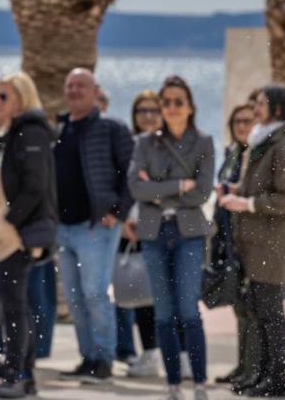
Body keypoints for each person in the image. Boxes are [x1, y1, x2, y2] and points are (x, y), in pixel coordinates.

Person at [128, 75, 214, 400]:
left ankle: (200, 383)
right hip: (153, 234)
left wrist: (156, 190)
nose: (172, 107)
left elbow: (202, 192)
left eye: (179, 102)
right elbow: (136, 188)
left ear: (190, 106)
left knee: (188, 309)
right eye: (166, 102)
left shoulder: (203, 142)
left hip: (188, 233)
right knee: (163, 313)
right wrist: (178, 186)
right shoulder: (144, 143)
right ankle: (173, 386)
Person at [0, 72, 57, 399]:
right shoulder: (7, 133)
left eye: (4, 96)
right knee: (13, 305)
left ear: (22, 99)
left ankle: (20, 375)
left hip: (16, 235)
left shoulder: (31, 132)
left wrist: (11, 221)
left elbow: (35, 185)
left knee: (16, 307)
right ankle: (18, 373)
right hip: (1, 235)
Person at [218, 85, 285, 397]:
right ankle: (262, 375)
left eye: (261, 104)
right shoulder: (264, 141)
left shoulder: (284, 145)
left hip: (273, 245)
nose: (255, 109)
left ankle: (278, 381)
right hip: (257, 245)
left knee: (270, 314)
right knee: (259, 310)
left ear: (276, 109)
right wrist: (236, 193)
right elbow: (260, 186)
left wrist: (247, 203)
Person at [54, 69, 135, 381]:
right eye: (70, 85)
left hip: (97, 227)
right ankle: (87, 357)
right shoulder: (60, 129)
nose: (74, 90)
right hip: (64, 229)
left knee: (95, 294)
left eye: (81, 85)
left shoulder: (112, 128)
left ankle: (104, 359)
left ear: (95, 91)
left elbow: (131, 174)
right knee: (75, 299)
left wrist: (118, 212)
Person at [211, 104, 255, 387]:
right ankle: (243, 367)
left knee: (252, 307)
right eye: (237, 121)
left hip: (249, 238)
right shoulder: (231, 153)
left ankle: (254, 369)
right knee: (239, 305)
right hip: (228, 236)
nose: (241, 126)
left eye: (247, 121)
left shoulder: (255, 154)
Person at [120, 90, 162, 378]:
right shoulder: (129, 147)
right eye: (141, 111)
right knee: (140, 294)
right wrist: (125, 221)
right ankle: (149, 354)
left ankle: (183, 356)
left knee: (171, 295)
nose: (147, 116)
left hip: (164, 228)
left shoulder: (172, 146)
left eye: (152, 110)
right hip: (133, 229)